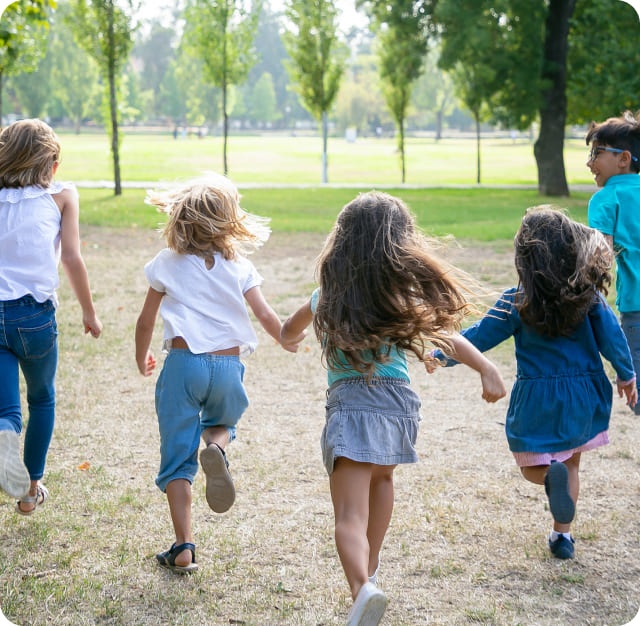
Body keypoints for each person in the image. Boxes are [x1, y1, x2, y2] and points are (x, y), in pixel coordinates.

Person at [280, 191, 506, 626]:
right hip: (398, 402)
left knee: (348, 514)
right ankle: (374, 566)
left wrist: (290, 338)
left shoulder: (326, 295)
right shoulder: (400, 294)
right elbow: (447, 336)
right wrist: (485, 367)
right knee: (383, 478)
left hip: (352, 403)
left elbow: (290, 329)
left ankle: (361, 587)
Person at [431, 207, 637, 560]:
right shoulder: (587, 295)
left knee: (532, 463)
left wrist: (443, 354)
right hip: (585, 392)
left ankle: (546, 479)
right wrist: (627, 374)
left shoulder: (517, 298)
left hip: (538, 396)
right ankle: (563, 536)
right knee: (571, 462)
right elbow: (613, 337)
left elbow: (481, 335)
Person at [135, 173, 301, 574]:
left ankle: (184, 547)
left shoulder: (165, 264)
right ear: (229, 222)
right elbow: (263, 314)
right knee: (222, 424)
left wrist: (141, 357)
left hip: (183, 364)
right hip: (228, 366)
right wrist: (284, 337)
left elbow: (145, 320)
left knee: (177, 458)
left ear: (179, 220)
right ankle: (219, 448)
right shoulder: (238, 265)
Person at [0, 119, 102, 515]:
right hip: (35, 317)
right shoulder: (61, 196)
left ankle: (5, 435)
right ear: (51, 163)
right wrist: (89, 313)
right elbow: (73, 259)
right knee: (42, 399)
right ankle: (29, 489)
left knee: (7, 411)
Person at [586, 110, 640, 414]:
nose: (590, 162)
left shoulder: (606, 198)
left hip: (636, 308)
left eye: (598, 153)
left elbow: (601, 254)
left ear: (624, 159)